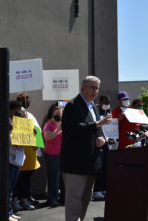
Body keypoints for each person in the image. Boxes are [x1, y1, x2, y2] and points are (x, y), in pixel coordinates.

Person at [60, 75, 111, 221]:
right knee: (74, 201)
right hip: (75, 163)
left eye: (97, 88)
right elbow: (74, 129)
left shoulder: (94, 106)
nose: (95, 91)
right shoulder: (72, 105)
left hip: (91, 162)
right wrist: (97, 124)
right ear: (83, 88)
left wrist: (102, 138)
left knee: (85, 201)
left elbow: (97, 130)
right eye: (92, 87)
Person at [0, 100, 24, 221]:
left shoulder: (20, 123)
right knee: (6, 186)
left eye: (20, 110)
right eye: (16, 111)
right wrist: (6, 130)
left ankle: (9, 211)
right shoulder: (0, 123)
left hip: (16, 159)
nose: (18, 113)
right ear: (9, 110)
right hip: (4, 159)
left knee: (10, 187)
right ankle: (4, 213)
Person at [13, 92, 41, 211]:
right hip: (18, 149)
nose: (26, 102)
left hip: (30, 150)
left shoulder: (30, 115)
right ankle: (14, 200)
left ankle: (25, 199)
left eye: (28, 100)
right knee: (16, 178)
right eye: (24, 100)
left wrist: (38, 144)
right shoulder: (14, 116)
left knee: (26, 177)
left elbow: (37, 130)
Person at [43, 105, 64, 207]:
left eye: (60, 115)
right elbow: (48, 136)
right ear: (52, 114)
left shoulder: (64, 123)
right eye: (57, 115)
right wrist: (57, 130)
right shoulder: (49, 124)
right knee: (54, 177)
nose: (59, 116)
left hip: (62, 154)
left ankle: (63, 197)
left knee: (62, 178)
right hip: (52, 155)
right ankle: (52, 198)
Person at [92, 95, 111, 200]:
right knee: (98, 168)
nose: (107, 105)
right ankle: (96, 190)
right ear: (100, 102)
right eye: (105, 102)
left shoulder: (108, 112)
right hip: (97, 143)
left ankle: (103, 187)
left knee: (105, 167)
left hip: (107, 143)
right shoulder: (95, 111)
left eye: (108, 103)